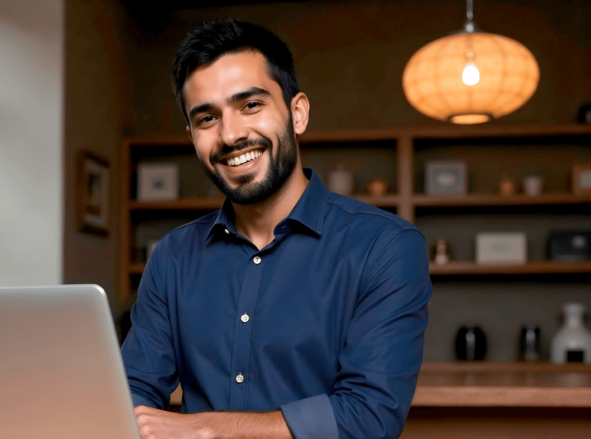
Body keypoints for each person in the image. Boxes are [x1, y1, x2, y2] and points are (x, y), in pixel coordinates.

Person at [121, 18, 432, 439]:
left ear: (297, 113)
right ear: (192, 135)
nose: (231, 135)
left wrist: (208, 429)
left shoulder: (386, 247)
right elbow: (132, 392)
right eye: (207, 118)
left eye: (250, 105)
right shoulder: (171, 256)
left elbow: (369, 417)